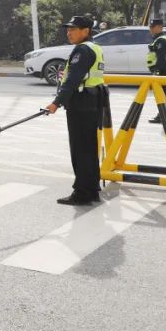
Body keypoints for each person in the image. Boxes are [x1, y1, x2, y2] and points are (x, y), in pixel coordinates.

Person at [44, 15, 106, 206]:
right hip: (91, 100)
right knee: (88, 148)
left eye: (73, 29)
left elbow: (72, 79)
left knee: (80, 150)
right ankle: (92, 189)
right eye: (68, 29)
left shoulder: (83, 50)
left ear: (86, 31)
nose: (69, 32)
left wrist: (56, 102)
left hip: (81, 103)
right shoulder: (94, 48)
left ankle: (82, 193)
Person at [146, 18, 166, 125]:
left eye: (152, 27)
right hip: (162, 71)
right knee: (162, 95)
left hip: (163, 71)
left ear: (160, 27)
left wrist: (157, 72)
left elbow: (161, 58)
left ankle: (165, 117)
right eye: (150, 27)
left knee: (162, 95)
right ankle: (164, 116)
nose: (150, 29)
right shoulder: (158, 39)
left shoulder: (162, 40)